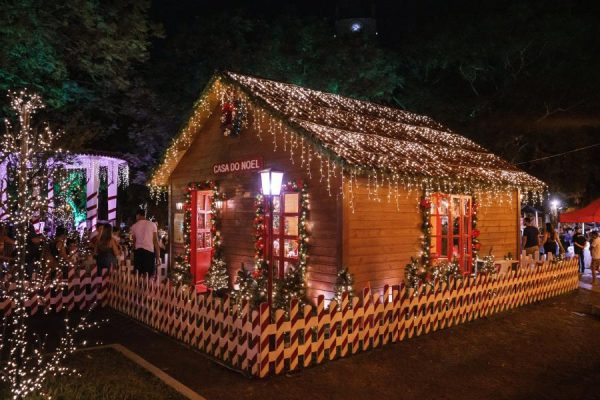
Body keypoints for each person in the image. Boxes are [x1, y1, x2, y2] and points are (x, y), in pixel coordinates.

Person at [130, 209, 161, 276]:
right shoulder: (152, 225)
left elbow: (134, 242)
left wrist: (132, 253)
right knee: (149, 275)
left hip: (138, 252)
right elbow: (155, 241)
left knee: (138, 274)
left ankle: (139, 286)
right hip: (149, 252)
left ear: (138, 215)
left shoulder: (134, 226)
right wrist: (158, 256)